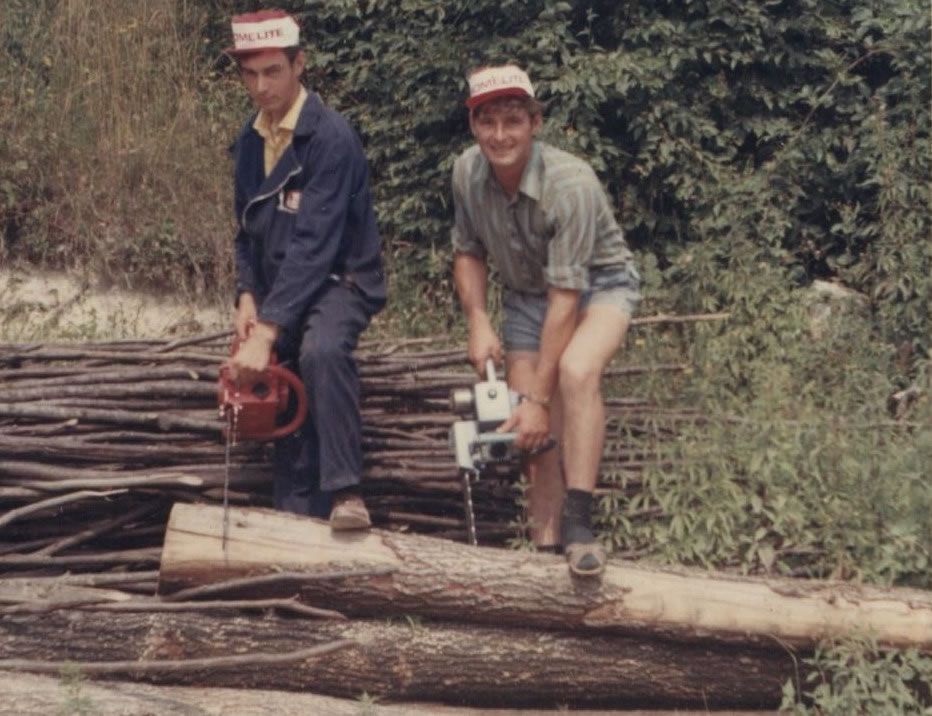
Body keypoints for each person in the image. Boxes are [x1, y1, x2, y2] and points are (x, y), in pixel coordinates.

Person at [450, 64, 641, 577]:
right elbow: (467, 252)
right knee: (527, 425)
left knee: (574, 373)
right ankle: (545, 547)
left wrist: (540, 396)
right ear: (474, 126)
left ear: (535, 122)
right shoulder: (466, 171)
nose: (499, 135)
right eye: (487, 123)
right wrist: (477, 320)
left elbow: (566, 300)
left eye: (512, 121)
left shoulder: (570, 185)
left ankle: (580, 527)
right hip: (525, 296)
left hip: (597, 288)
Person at [224, 10, 386, 530]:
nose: (260, 86)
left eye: (272, 71)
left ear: (299, 64)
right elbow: (245, 233)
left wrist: (269, 329)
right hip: (282, 289)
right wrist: (248, 297)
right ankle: (294, 517)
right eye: (250, 74)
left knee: (319, 349)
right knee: (282, 378)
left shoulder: (331, 139)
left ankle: (346, 494)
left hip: (343, 280)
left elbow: (316, 245)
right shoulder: (250, 142)